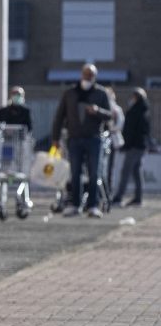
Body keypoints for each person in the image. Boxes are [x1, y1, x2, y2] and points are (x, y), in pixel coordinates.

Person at [51, 64, 112, 218]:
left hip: (93, 139)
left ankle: (93, 206)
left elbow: (110, 115)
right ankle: (74, 205)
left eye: (90, 76)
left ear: (95, 77)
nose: (87, 78)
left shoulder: (100, 93)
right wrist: (55, 139)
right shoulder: (70, 93)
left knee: (94, 173)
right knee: (75, 173)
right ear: (81, 75)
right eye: (85, 75)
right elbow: (59, 117)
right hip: (74, 139)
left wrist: (97, 111)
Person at [112, 88, 151, 207]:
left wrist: (126, 144)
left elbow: (130, 131)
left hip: (134, 146)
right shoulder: (144, 111)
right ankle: (138, 198)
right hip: (140, 146)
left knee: (126, 171)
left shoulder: (136, 112)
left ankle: (118, 197)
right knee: (136, 172)